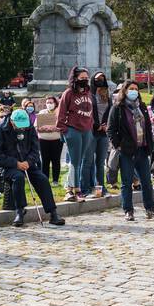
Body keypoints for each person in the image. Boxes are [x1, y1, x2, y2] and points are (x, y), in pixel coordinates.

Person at [0, 107, 66, 227]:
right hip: (9, 166)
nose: (22, 128)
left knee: (42, 179)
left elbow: (35, 150)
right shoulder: (0, 129)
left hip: (27, 163)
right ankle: (19, 211)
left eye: (24, 126)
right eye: (19, 125)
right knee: (18, 177)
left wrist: (28, 162)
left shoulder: (29, 128)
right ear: (11, 121)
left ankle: (53, 213)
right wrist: (15, 163)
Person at [106, 80, 154, 222]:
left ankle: (150, 209)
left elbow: (147, 127)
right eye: (131, 88)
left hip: (142, 149)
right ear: (125, 91)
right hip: (126, 151)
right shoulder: (118, 108)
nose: (134, 91)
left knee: (146, 182)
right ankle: (128, 210)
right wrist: (118, 145)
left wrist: (149, 145)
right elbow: (110, 129)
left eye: (136, 89)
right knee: (126, 182)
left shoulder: (142, 106)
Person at [56, 66, 95, 203]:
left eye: (86, 78)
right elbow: (61, 112)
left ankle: (74, 189)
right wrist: (63, 129)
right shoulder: (68, 93)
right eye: (82, 78)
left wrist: (91, 126)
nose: (85, 80)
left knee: (79, 160)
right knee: (75, 161)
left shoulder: (89, 93)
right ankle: (71, 190)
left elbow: (91, 111)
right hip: (73, 130)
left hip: (86, 130)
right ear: (75, 79)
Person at [90, 71, 113, 197]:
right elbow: (88, 114)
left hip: (103, 134)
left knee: (100, 162)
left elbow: (110, 113)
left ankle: (101, 188)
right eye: (98, 78)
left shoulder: (107, 97)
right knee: (88, 161)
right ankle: (88, 187)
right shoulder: (89, 95)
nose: (100, 80)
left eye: (103, 78)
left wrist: (106, 126)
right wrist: (96, 125)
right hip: (92, 132)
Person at [35, 96, 63, 185]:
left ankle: (55, 180)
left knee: (56, 160)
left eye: (51, 102)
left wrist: (55, 128)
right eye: (47, 102)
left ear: (55, 103)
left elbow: (63, 126)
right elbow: (36, 126)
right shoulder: (42, 113)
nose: (49, 104)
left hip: (57, 140)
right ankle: (45, 180)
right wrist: (43, 129)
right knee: (45, 160)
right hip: (43, 140)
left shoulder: (59, 113)